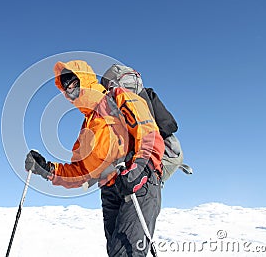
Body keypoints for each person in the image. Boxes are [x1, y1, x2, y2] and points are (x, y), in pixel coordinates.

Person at [24, 60, 165, 256]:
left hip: (138, 183)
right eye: (67, 88)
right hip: (109, 191)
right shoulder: (87, 127)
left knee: (125, 253)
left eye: (74, 83)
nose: (71, 90)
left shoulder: (117, 98)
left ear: (86, 79)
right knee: (116, 252)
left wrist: (138, 171)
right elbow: (81, 172)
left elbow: (148, 134)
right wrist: (47, 169)